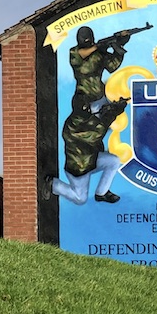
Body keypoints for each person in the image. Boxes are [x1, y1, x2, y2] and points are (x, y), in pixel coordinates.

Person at [47, 26, 131, 206]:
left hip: (98, 99)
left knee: (107, 148)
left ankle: (102, 192)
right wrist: (101, 45)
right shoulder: (75, 53)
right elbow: (98, 128)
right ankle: (52, 185)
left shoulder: (99, 54)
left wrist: (119, 47)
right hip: (80, 164)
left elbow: (113, 66)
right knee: (80, 198)